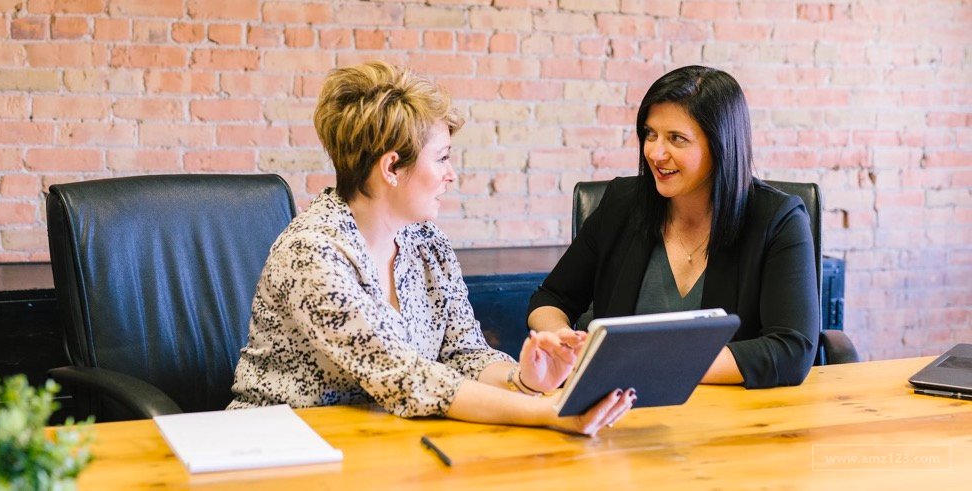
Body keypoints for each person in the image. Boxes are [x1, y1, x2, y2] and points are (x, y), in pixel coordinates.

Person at [229, 61, 634, 435]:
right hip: (279, 445)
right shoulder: (313, 253)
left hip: (382, 442)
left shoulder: (426, 242)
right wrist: (549, 411)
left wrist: (525, 380)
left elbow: (464, 353)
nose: (451, 175)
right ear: (391, 168)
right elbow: (406, 377)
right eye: (441, 158)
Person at [527, 65, 820, 388]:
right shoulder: (622, 203)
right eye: (650, 134)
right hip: (618, 410)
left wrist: (650, 364)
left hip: (730, 415)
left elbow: (792, 349)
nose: (655, 152)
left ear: (721, 145)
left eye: (676, 139)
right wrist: (561, 340)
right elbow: (551, 298)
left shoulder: (778, 219)